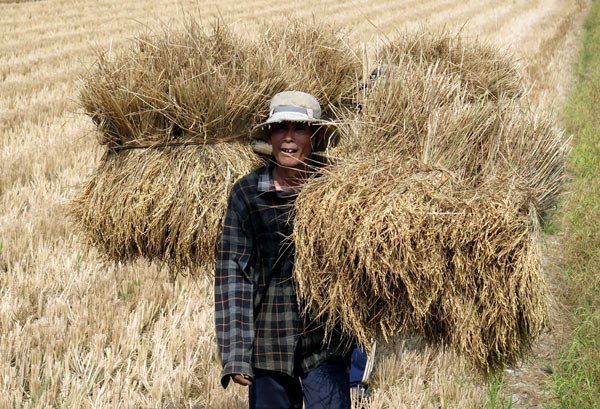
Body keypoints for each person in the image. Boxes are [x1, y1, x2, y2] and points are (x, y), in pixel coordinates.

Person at [215, 91, 353, 409]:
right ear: (270, 136)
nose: (288, 138)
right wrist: (235, 353)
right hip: (268, 343)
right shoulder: (248, 194)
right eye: (280, 129)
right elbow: (232, 274)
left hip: (326, 341)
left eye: (299, 129)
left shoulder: (339, 188)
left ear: (316, 137)